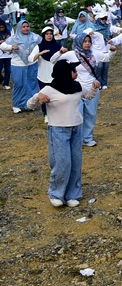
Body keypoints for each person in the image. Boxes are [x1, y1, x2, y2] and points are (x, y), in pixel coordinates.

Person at [27, 60, 98, 207]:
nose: (76, 73)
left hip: (76, 128)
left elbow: (88, 96)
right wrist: (38, 98)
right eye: (73, 70)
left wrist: (94, 88)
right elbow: (30, 105)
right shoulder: (49, 89)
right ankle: (56, 193)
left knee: (75, 162)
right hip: (58, 130)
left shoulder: (76, 86)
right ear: (65, 72)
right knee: (62, 162)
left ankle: (72, 194)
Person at [55, 31, 112, 147]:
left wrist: (113, 51)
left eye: (89, 41)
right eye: (85, 41)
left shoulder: (93, 53)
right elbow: (53, 61)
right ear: (79, 42)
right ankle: (76, 139)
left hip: (92, 87)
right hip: (76, 88)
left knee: (91, 114)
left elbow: (106, 58)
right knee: (77, 114)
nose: (87, 44)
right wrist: (59, 53)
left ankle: (87, 138)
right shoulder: (71, 54)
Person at [1, 20, 41, 113]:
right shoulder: (14, 38)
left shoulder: (35, 37)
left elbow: (43, 43)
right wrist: (11, 47)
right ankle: (17, 104)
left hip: (32, 64)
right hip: (18, 65)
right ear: (19, 28)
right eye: (23, 27)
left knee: (32, 84)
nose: (26, 28)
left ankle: (31, 104)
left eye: (27, 26)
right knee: (19, 84)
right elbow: (2, 46)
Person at [29, 27, 68, 123]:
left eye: (51, 34)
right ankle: (46, 114)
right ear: (43, 35)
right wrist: (40, 53)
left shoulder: (58, 46)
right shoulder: (39, 47)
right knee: (44, 96)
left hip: (56, 76)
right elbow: (30, 59)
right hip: (43, 76)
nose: (49, 36)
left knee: (58, 95)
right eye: (47, 34)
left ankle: (58, 113)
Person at [0, 19, 12, 90]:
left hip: (8, 54)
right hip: (0, 55)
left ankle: (6, 83)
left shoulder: (9, 33)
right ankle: (1, 78)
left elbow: (12, 41)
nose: (1, 29)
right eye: (0, 28)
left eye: (2, 27)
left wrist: (11, 48)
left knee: (8, 70)